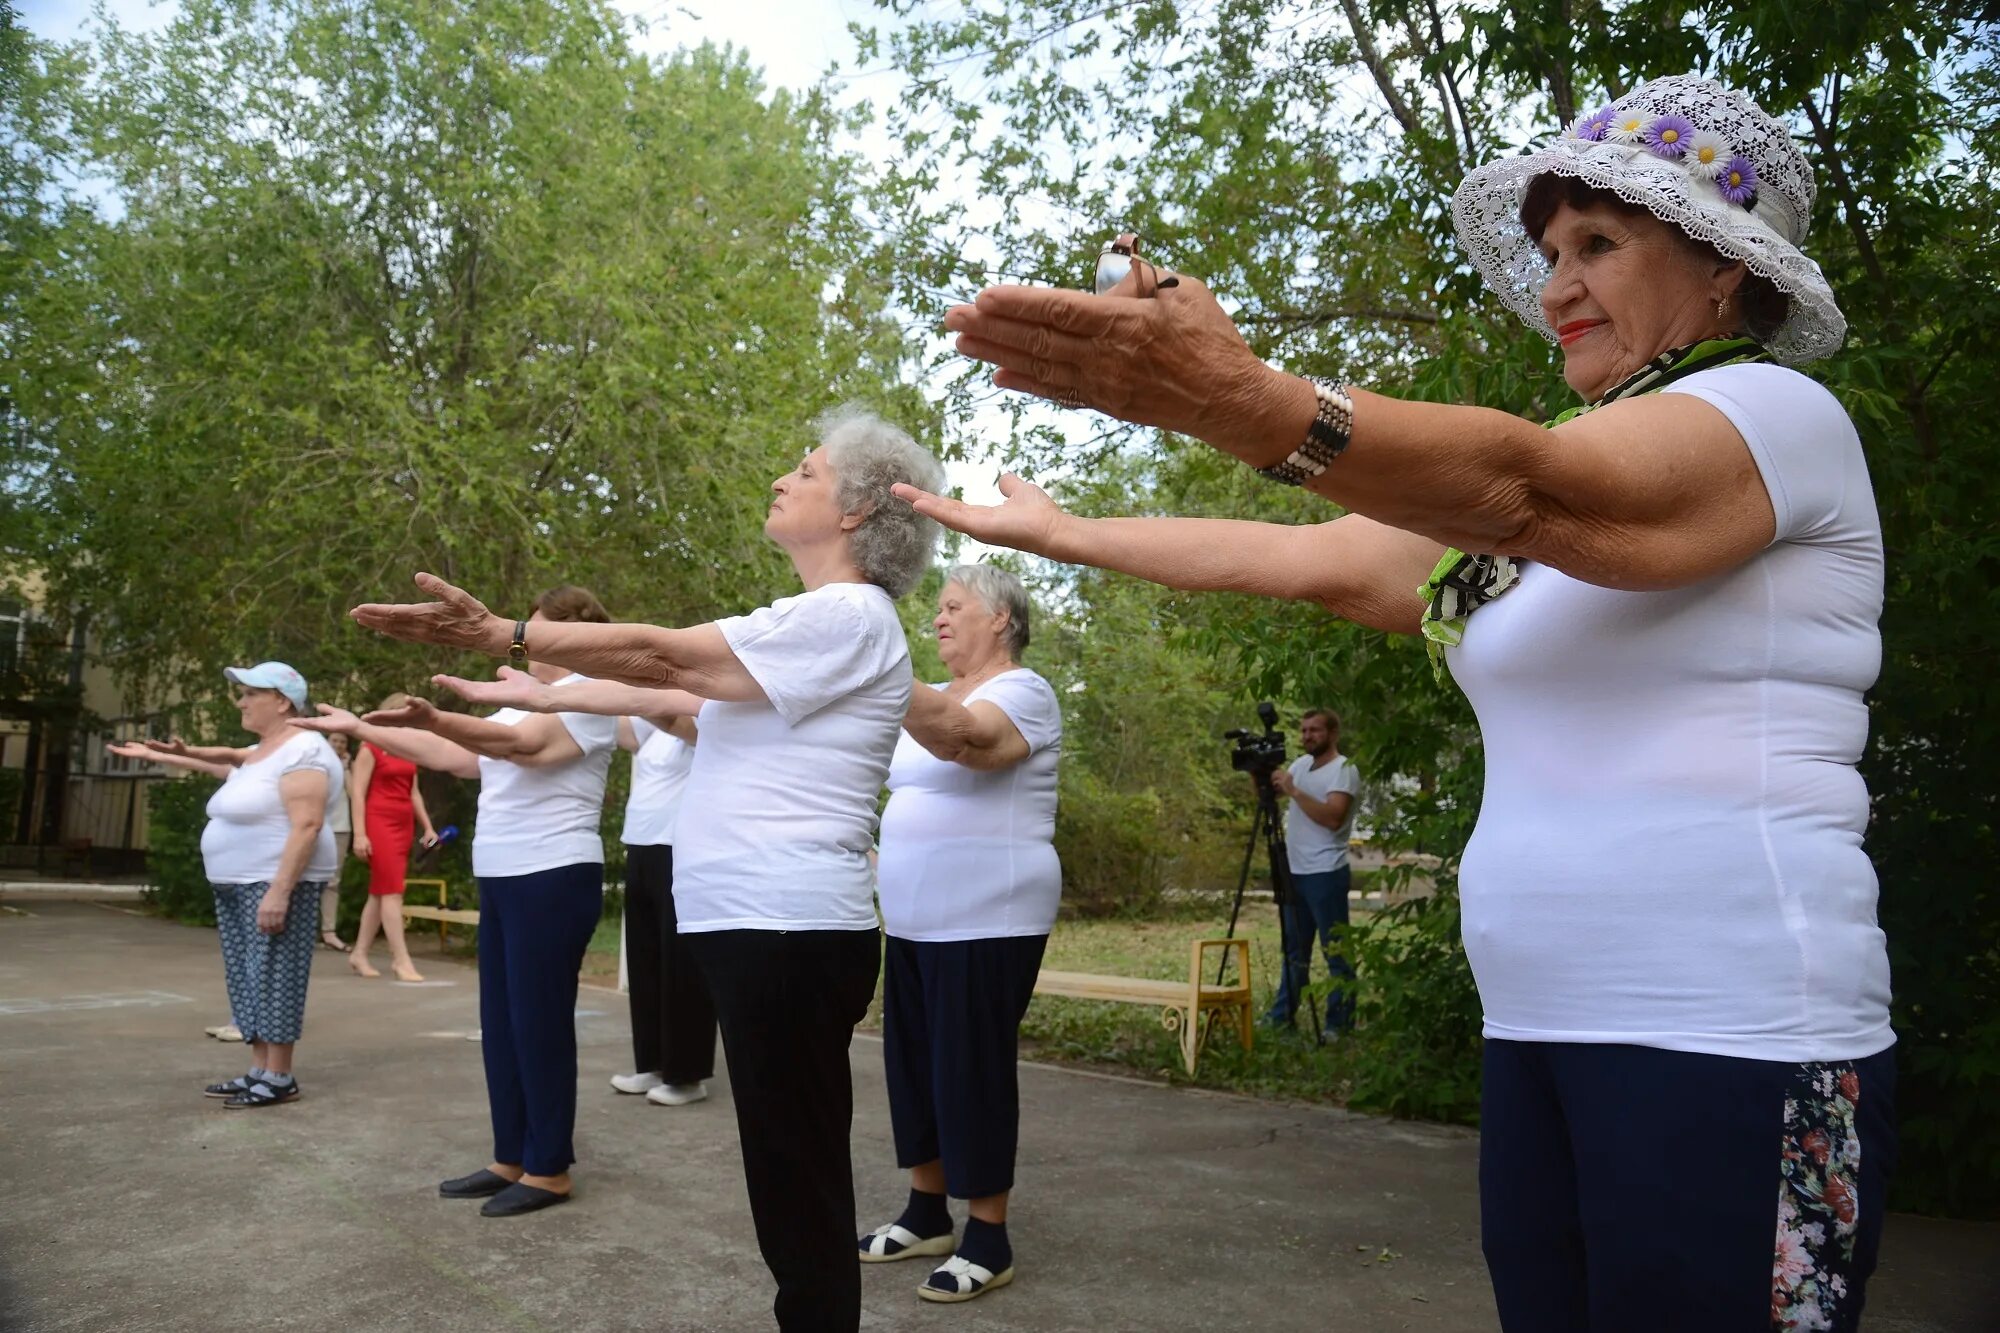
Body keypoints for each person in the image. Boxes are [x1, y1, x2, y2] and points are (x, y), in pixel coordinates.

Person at [893, 75, 1893, 1332]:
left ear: (1724, 273)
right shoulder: (1535, 494)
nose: (1554, 288)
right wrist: (1062, 531)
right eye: (1546, 252)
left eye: (1598, 243)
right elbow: (1321, 559)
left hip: (1733, 1037)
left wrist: (1237, 394)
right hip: (1540, 1030)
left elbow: (1527, 482)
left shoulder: (1772, 415)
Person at [354, 405, 945, 1331]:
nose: (784, 476)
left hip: (786, 929)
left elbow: (667, 653)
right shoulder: (805, 624)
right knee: (786, 1173)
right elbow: (656, 685)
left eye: (808, 469)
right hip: (758, 928)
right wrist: (523, 685)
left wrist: (507, 634)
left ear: (858, 512)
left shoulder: (847, 613)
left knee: (798, 1176)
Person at [295, 587, 619, 1219]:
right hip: (504, 877)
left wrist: (435, 716)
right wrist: (364, 727)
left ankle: (549, 1168)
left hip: (552, 875)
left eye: (538, 632)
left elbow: (525, 747)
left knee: (539, 1026)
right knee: (500, 1026)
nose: (526, 642)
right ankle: (511, 1157)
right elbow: (457, 756)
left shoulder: (586, 695)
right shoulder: (520, 702)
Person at [858, 563, 1062, 1305]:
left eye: (954, 606)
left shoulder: (1022, 691)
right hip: (914, 917)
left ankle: (987, 1236)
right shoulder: (935, 697)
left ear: (1001, 617)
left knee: (970, 1067)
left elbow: (972, 744)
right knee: (914, 1064)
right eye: (937, 608)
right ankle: (925, 1211)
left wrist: (876, 672)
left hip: (988, 914)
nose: (939, 617)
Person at [148, 663, 343, 1107]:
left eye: (250, 693)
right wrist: (165, 754)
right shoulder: (263, 751)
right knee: (247, 976)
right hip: (238, 881)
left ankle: (280, 1076)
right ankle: (259, 1069)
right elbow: (221, 760)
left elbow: (308, 823)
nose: (240, 701)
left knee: (276, 975)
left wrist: (280, 890)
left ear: (282, 700)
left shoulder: (305, 749)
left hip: (272, 880)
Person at [606, 709, 717, 1108]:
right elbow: (616, 728)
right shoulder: (649, 727)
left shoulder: (699, 712)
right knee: (645, 958)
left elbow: (681, 723)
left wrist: (642, 688)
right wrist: (562, 696)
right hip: (642, 842)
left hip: (681, 846)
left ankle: (687, 1075)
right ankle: (651, 1063)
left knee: (680, 964)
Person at [1264, 708, 1360, 1036]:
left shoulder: (1343, 769)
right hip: (1294, 871)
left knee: (1335, 951)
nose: (1307, 736)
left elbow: (1334, 818)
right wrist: (1258, 774)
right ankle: (1281, 1017)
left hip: (1325, 872)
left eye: (1314, 730)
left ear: (1332, 733)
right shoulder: (1300, 766)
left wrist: (1294, 791)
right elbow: (1267, 798)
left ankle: (1339, 1023)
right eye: (1303, 730)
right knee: (1294, 950)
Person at [345, 694, 440, 982]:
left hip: (403, 823)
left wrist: (428, 827)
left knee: (381, 891)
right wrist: (359, 834)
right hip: (378, 820)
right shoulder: (370, 747)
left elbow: (413, 793)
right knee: (392, 891)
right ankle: (401, 960)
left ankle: (359, 953)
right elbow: (358, 793)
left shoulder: (408, 749)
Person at [319, 732, 353, 951]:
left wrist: (346, 767)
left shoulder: (347, 767)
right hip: (317, 825)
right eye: (335, 741)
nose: (338, 745)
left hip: (341, 828)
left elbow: (353, 792)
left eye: (342, 742)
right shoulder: (318, 760)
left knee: (333, 881)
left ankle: (329, 931)